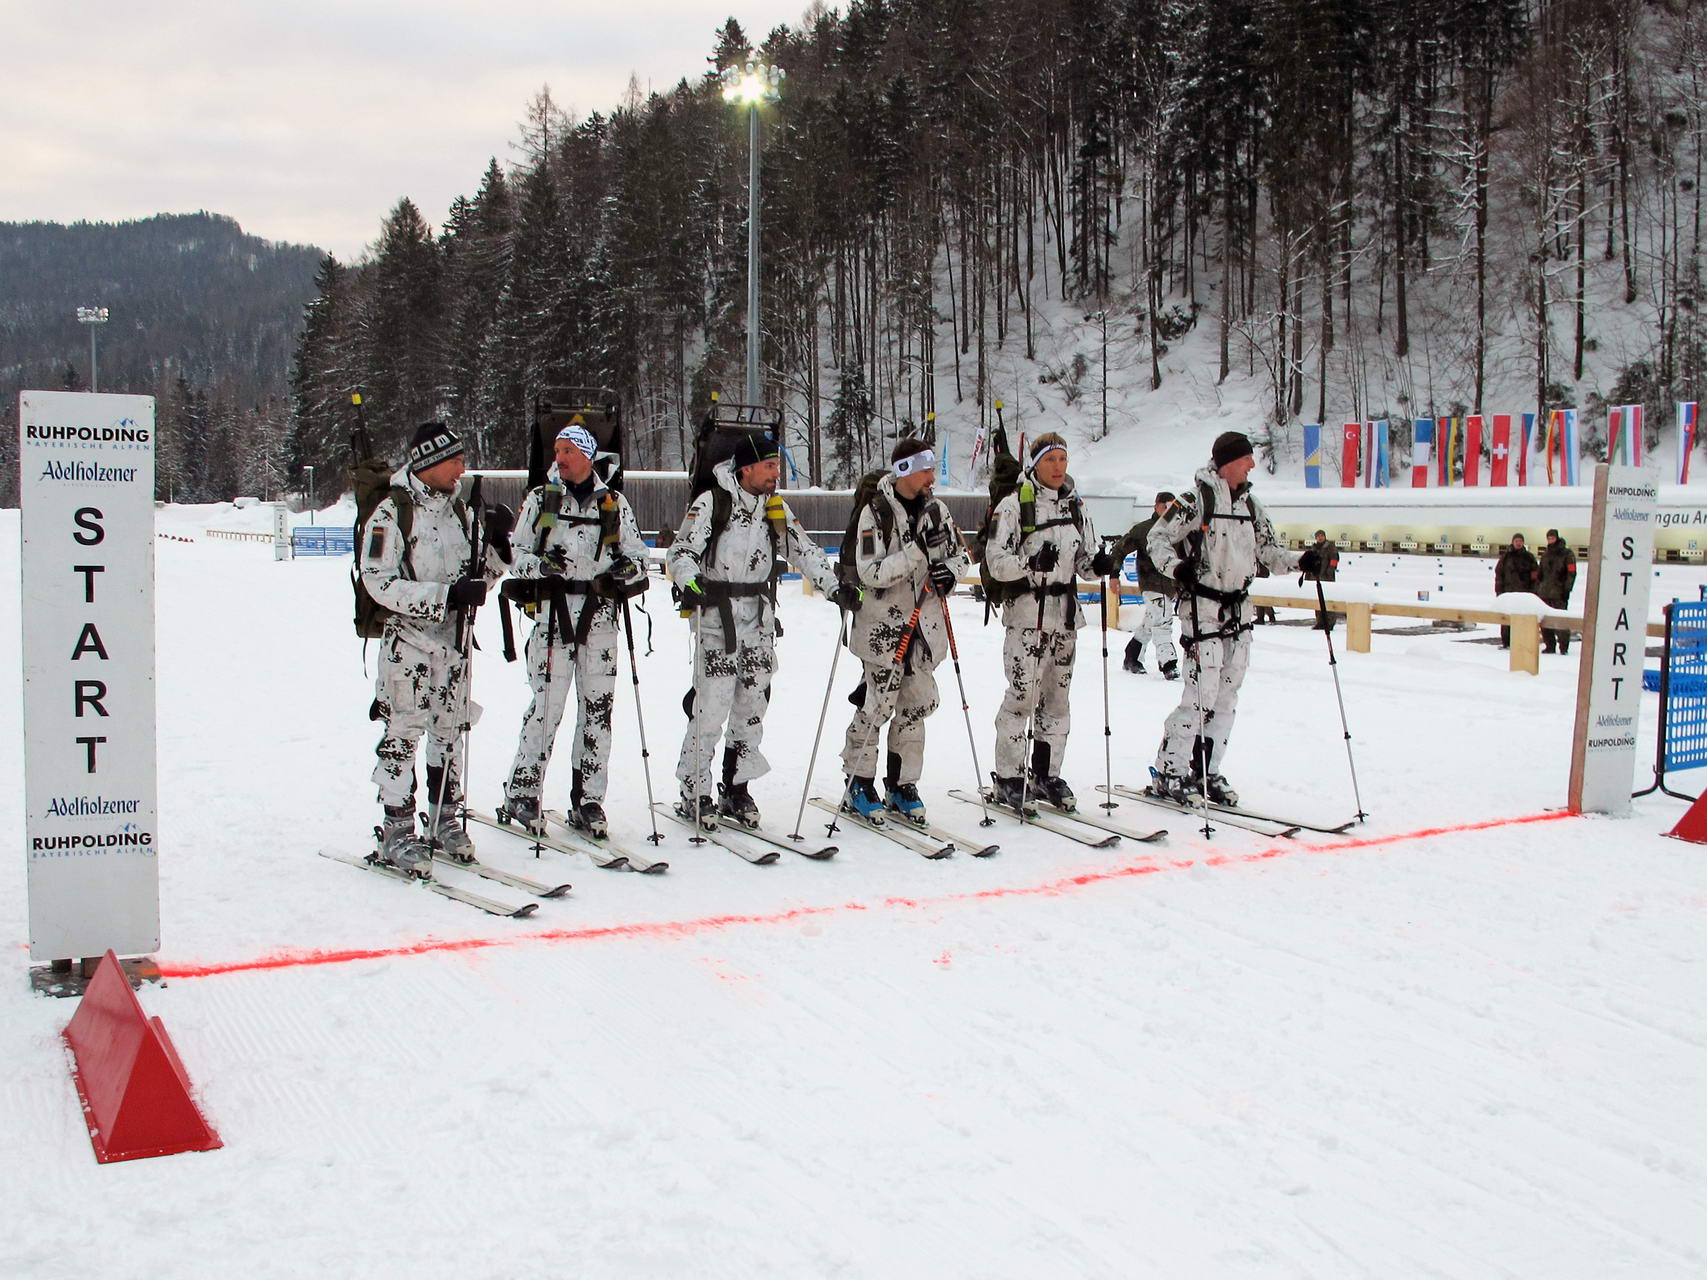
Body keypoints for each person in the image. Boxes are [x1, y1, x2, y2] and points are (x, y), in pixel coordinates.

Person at [668, 433, 855, 830]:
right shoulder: (712, 502)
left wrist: (834, 586)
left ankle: (737, 787)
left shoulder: (775, 509)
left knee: (752, 709)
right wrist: (691, 581)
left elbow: (803, 550)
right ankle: (693, 788)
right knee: (711, 706)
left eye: (777, 466)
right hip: (718, 619)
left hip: (759, 620)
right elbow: (681, 552)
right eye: (769, 466)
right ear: (746, 468)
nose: (776, 474)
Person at [360, 423, 512, 871]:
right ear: (428, 462)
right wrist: (444, 597)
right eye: (455, 460)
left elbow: (479, 580)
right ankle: (396, 828)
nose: (462, 468)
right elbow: (378, 582)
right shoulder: (392, 513)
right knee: (402, 735)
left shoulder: (461, 514)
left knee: (450, 732)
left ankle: (444, 816)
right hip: (408, 644)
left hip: (454, 643)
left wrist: (499, 548)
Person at [499, 423, 651, 838]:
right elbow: (516, 553)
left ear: (587, 455)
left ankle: (588, 799)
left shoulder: (612, 503)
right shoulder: (542, 499)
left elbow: (639, 556)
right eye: (557, 449)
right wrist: (540, 568)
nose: (559, 458)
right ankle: (522, 792)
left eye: (567, 451)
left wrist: (628, 569)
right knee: (546, 707)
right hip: (553, 615)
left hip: (600, 619)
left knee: (598, 713)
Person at [1146, 431, 1304, 807]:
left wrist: (1303, 562)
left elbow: (1268, 551)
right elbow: (1157, 539)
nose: (1252, 465)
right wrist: (1177, 568)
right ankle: (1170, 769)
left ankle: (1206, 770)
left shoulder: (1251, 505)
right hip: (1202, 609)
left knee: (1227, 697)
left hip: (1238, 610)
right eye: (1247, 458)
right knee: (1201, 694)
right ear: (1229, 461)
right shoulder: (1195, 499)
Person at [838, 437, 973, 823]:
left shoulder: (938, 510)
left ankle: (902, 784)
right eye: (926, 468)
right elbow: (871, 572)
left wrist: (951, 573)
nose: (933, 476)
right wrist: (917, 552)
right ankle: (858, 781)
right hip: (883, 628)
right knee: (878, 705)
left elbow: (961, 554)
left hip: (925, 630)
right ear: (905, 471)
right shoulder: (875, 513)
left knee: (916, 704)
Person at [980, 433, 1112, 811]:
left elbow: (1085, 561)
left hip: (1066, 618)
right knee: (1022, 698)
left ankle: (1045, 774)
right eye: (1050, 460)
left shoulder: (1076, 506)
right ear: (1035, 463)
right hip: (1027, 617)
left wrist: (1100, 564)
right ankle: (1008, 776)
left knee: (1057, 702)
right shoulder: (1013, 506)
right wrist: (1029, 563)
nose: (1058, 467)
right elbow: (995, 562)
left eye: (1063, 459)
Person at [1111, 491, 1180, 679]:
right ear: (1156, 506)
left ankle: (1132, 655)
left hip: (1171, 584)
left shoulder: (1179, 529)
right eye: (1164, 506)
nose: (1168, 510)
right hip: (1152, 582)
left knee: (1153, 620)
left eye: (1172, 507)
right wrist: (1114, 575)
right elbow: (1119, 550)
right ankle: (1169, 664)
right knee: (1162, 621)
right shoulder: (1144, 530)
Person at [1494, 532, 1540, 649]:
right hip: (1508, 593)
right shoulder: (1505, 557)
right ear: (1512, 542)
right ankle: (1506, 642)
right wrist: (1499, 591)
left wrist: (1533, 592)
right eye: (1516, 541)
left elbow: (1535, 575)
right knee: (1506, 620)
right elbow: (1499, 574)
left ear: (1523, 542)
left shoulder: (1529, 557)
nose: (1518, 543)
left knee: (1522, 619)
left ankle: (1521, 642)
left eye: (1520, 541)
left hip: (1523, 594)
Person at [1537, 528, 1577, 654]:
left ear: (1557, 538)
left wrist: (1567, 589)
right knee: (1545, 622)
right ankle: (1550, 645)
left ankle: (1563, 647)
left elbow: (1572, 572)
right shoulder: (1545, 554)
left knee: (1560, 621)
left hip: (1559, 593)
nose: (1550, 540)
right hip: (1544, 593)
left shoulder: (1567, 554)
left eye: (1552, 537)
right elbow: (1540, 573)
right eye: (1548, 538)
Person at [1303, 529, 1341, 632]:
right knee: (1318, 601)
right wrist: (1308, 575)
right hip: (1316, 578)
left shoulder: (1330, 547)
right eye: (1318, 536)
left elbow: (1334, 560)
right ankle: (1320, 622)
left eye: (1321, 536)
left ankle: (1329, 622)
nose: (1320, 538)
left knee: (1328, 601)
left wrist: (1329, 572)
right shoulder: (1314, 548)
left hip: (1327, 578)